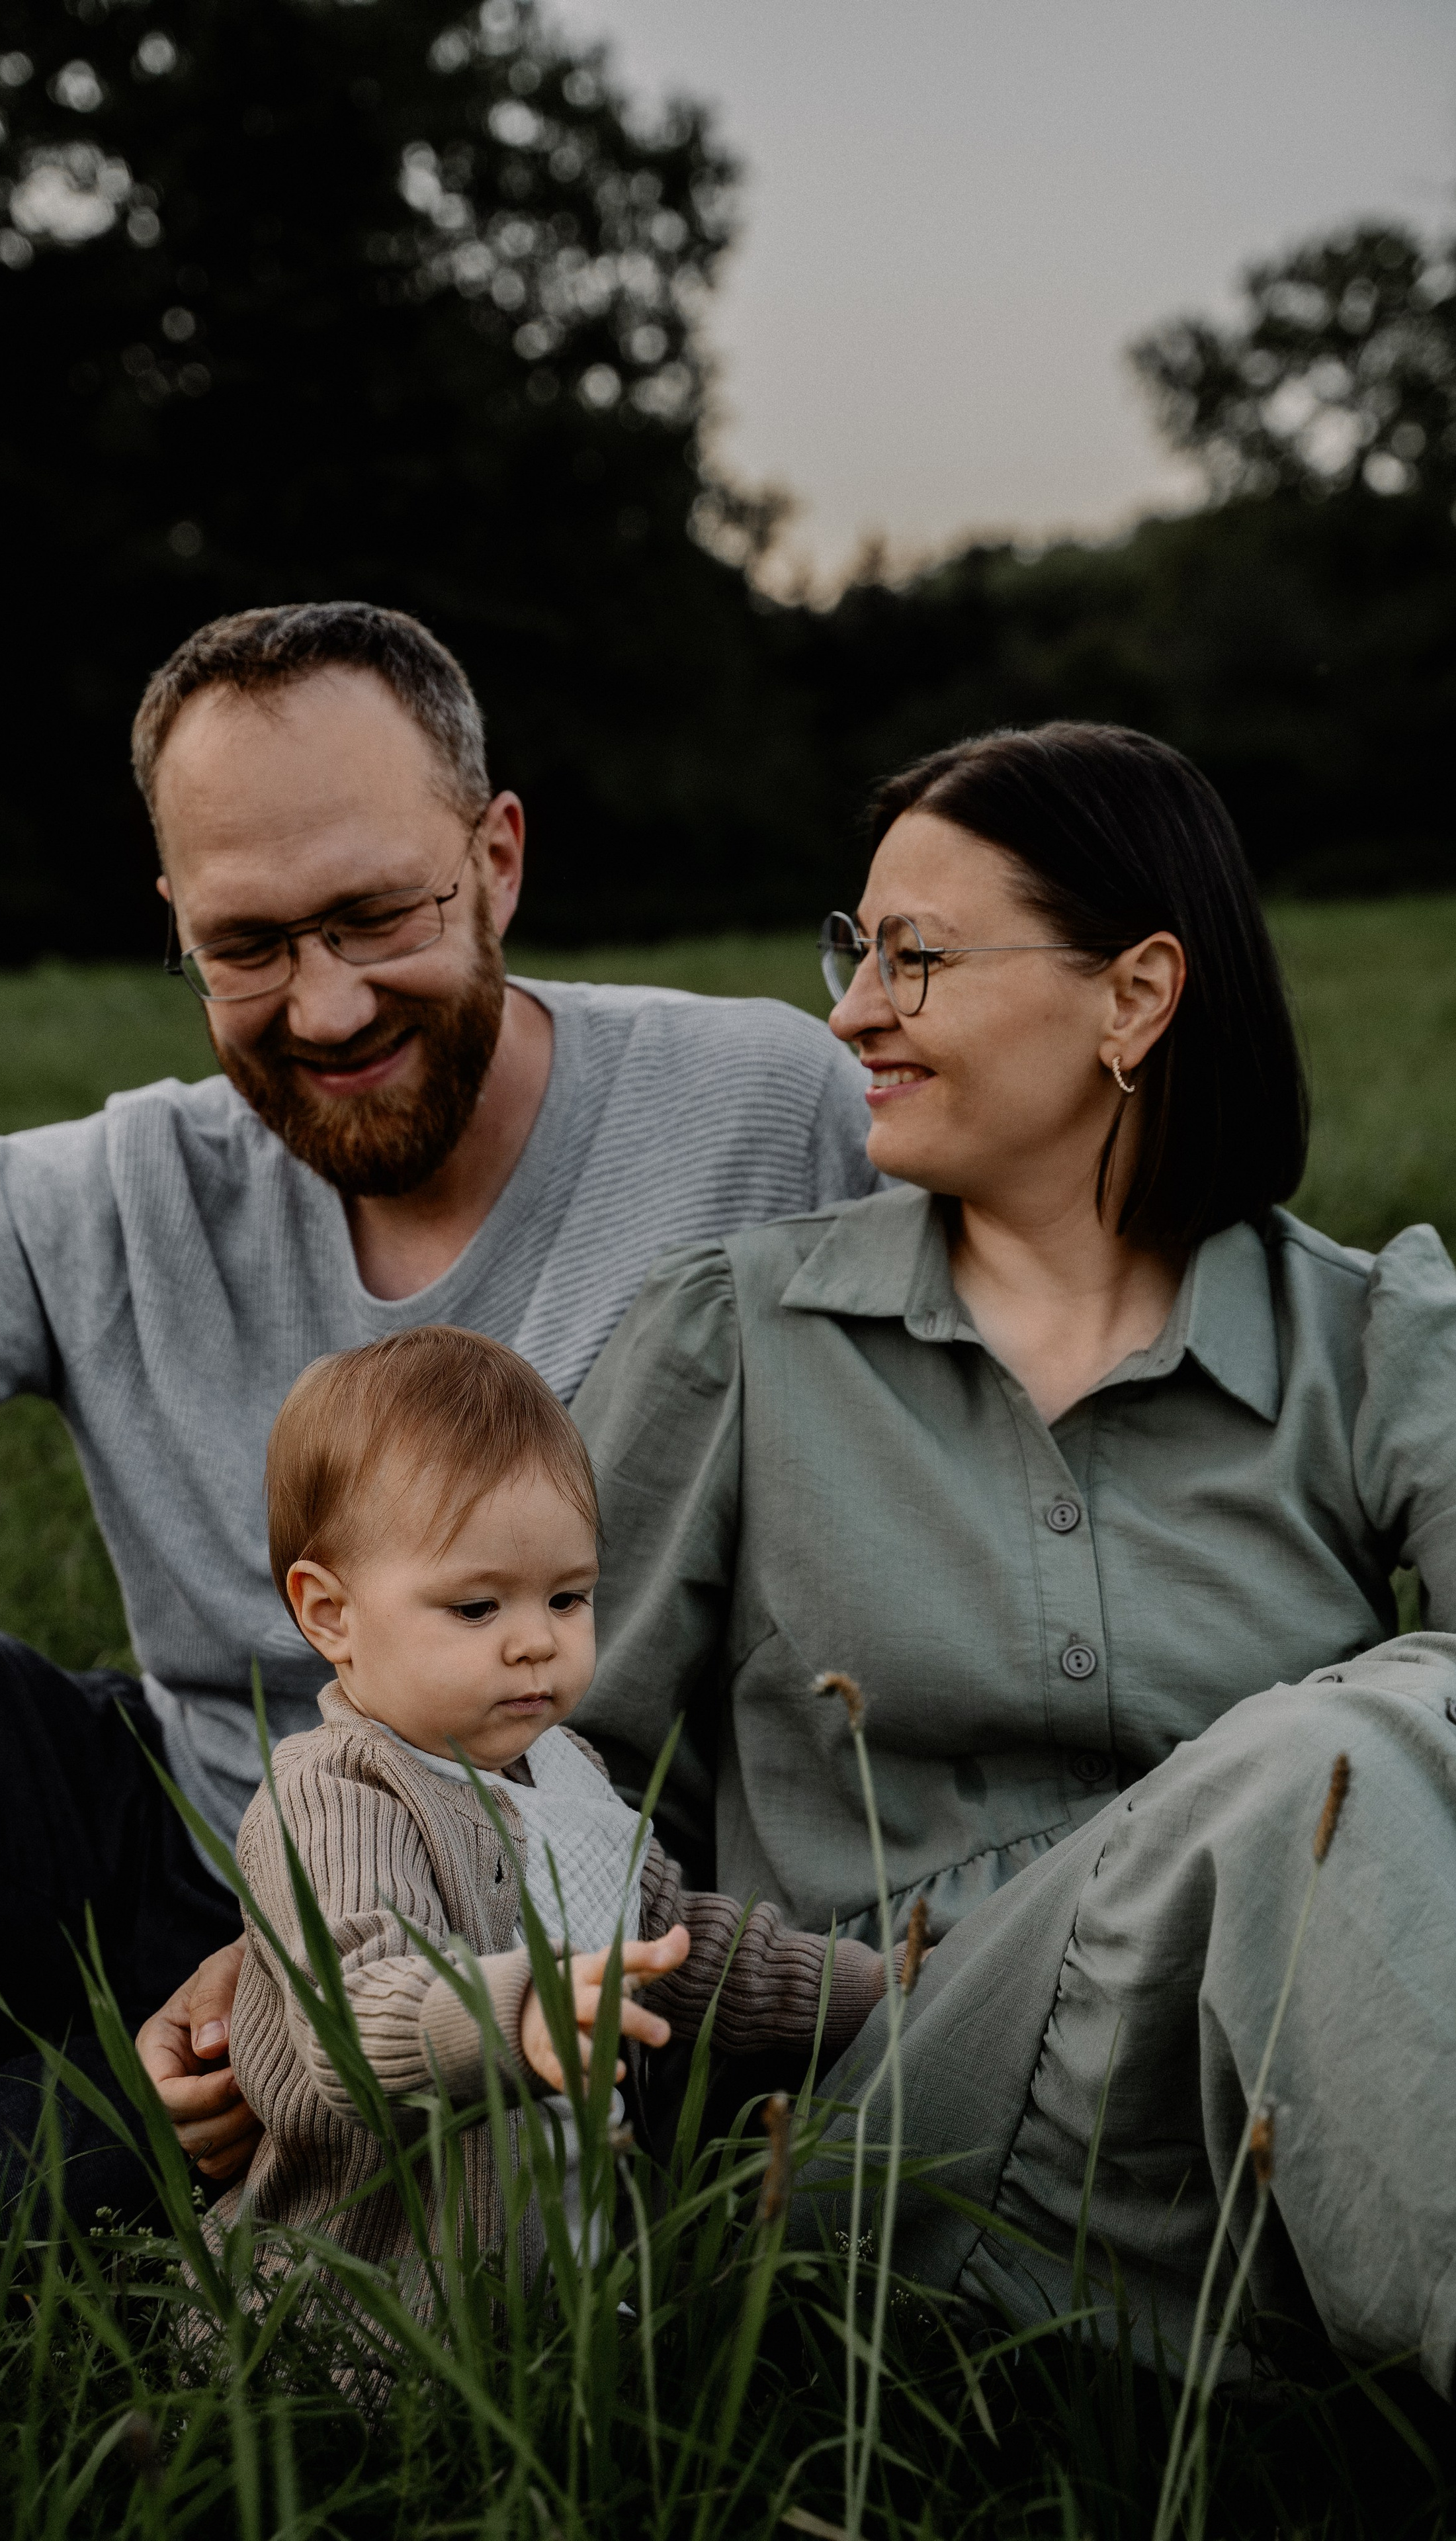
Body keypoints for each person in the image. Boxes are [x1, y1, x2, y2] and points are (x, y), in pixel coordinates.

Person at [0, 600, 875, 2229]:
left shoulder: (761, 1110)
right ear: (177, 924)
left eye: (375, 918)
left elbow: (1095, 1255)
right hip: (172, 1826)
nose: (328, 1006)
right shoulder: (114, 1193)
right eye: (249, 946)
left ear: (494, 858)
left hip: (535, 1929)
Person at [570, 721, 1456, 2387]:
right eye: (854, 951)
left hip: (1266, 2111)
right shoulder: (740, 1334)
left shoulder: (1369, 1338)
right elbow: (529, 1758)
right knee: (1324, 1753)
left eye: (913, 960)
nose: (848, 1015)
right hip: (891, 2134)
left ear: (1132, 996)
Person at [224, 1325, 883, 2282]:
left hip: (559, 2283)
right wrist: (520, 2011)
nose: (536, 1642)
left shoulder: (564, 1766)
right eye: (478, 1609)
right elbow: (356, 2013)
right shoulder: (336, 1796)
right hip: (370, 2318)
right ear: (331, 1614)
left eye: (567, 1598)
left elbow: (674, 1944)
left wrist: (868, 1988)